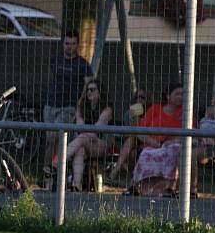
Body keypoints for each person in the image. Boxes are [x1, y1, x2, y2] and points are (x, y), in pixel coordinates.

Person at [130, 82, 201, 196]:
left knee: (174, 151)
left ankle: (170, 188)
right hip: (153, 145)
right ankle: (141, 187)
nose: (180, 97)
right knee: (146, 153)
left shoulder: (187, 113)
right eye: (177, 94)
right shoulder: (155, 109)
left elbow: (192, 134)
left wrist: (173, 141)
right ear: (168, 96)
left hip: (174, 145)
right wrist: (155, 143)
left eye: (182, 94)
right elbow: (140, 131)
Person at [42, 30, 95, 176]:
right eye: (67, 43)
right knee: (49, 140)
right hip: (50, 104)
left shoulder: (83, 65)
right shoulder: (55, 59)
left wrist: (79, 104)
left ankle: (56, 170)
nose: (69, 47)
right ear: (62, 44)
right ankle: (47, 172)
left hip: (68, 106)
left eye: (72, 44)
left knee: (57, 137)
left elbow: (88, 85)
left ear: (77, 45)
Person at [63, 80, 112, 192]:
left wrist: (85, 132)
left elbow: (95, 133)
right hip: (84, 143)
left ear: (100, 92)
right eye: (88, 90)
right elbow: (80, 127)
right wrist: (79, 109)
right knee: (80, 150)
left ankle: (59, 161)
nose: (89, 92)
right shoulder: (82, 107)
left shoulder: (107, 109)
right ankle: (77, 185)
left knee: (82, 138)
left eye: (93, 89)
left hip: (102, 144)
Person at [108, 89, 148, 184]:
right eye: (137, 97)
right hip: (131, 143)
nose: (139, 100)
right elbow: (128, 132)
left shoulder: (151, 112)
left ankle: (114, 173)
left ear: (147, 100)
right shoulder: (129, 113)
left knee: (132, 143)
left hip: (146, 142)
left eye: (142, 97)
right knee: (132, 152)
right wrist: (133, 116)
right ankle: (134, 180)